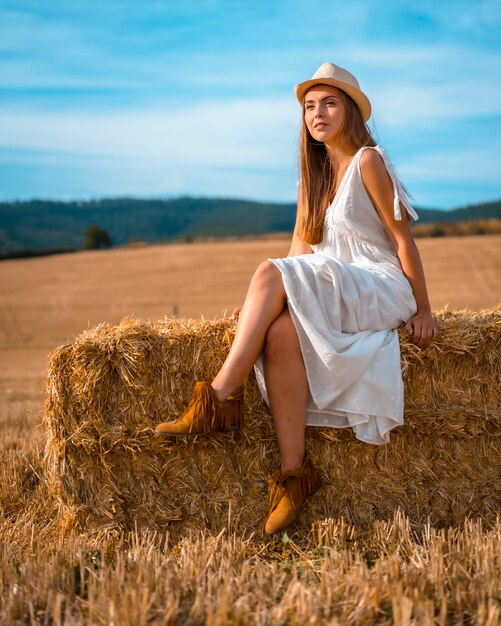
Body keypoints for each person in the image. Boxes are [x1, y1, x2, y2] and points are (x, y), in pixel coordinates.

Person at [156, 62, 438, 534]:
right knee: (280, 333)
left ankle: (220, 398)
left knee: (271, 272)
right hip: (333, 284)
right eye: (310, 106)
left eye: (329, 102)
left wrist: (424, 309)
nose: (318, 113)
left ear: (349, 111)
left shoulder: (370, 161)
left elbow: (402, 239)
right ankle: (293, 478)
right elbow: (299, 253)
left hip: (377, 285)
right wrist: (264, 303)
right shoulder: (314, 176)